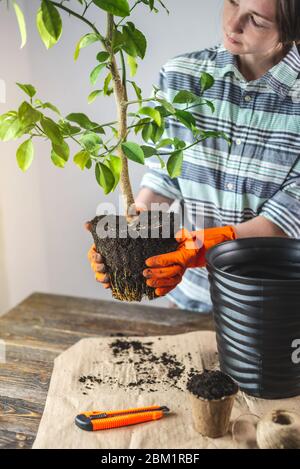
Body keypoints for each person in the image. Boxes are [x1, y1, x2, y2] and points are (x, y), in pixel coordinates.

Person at [87, 0, 300, 313]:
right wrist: (129, 239)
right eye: (233, 2)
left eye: (255, 19)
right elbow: (165, 176)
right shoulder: (181, 77)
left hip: (273, 308)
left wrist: (209, 245)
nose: (232, 24)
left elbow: (289, 217)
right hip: (191, 299)